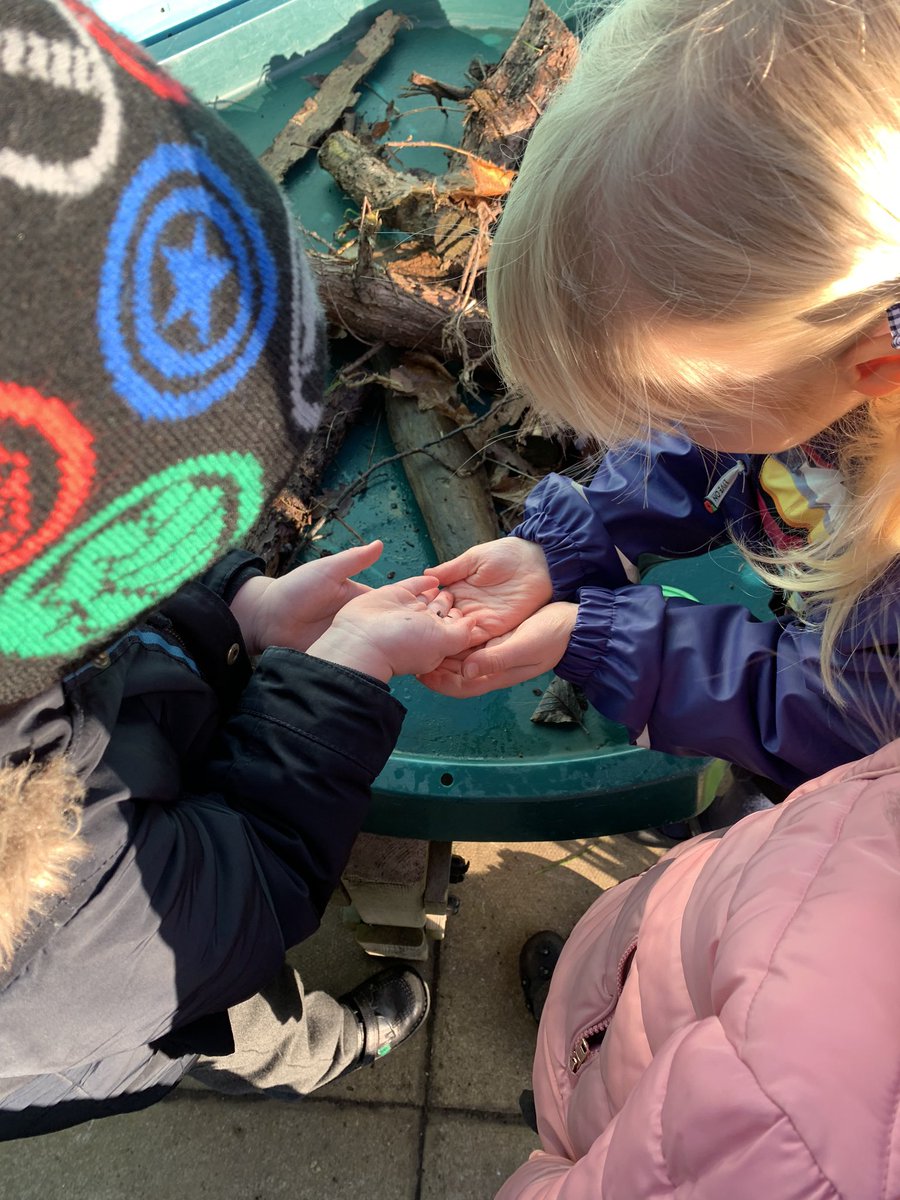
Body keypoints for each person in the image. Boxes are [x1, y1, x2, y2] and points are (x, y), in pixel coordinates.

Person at [0, 0, 474, 1140]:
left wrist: (236, 621)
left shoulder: (27, 673)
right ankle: (333, 1049)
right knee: (238, 1021)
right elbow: (254, 875)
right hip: (132, 1005)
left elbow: (76, 661)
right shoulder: (52, 940)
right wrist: (338, 677)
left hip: (126, 827)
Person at [419, 0, 900, 800]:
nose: (666, 430)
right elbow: (714, 445)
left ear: (873, 367)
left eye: (680, 406)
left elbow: (843, 721)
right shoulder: (830, 351)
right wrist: (569, 547)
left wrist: (604, 643)